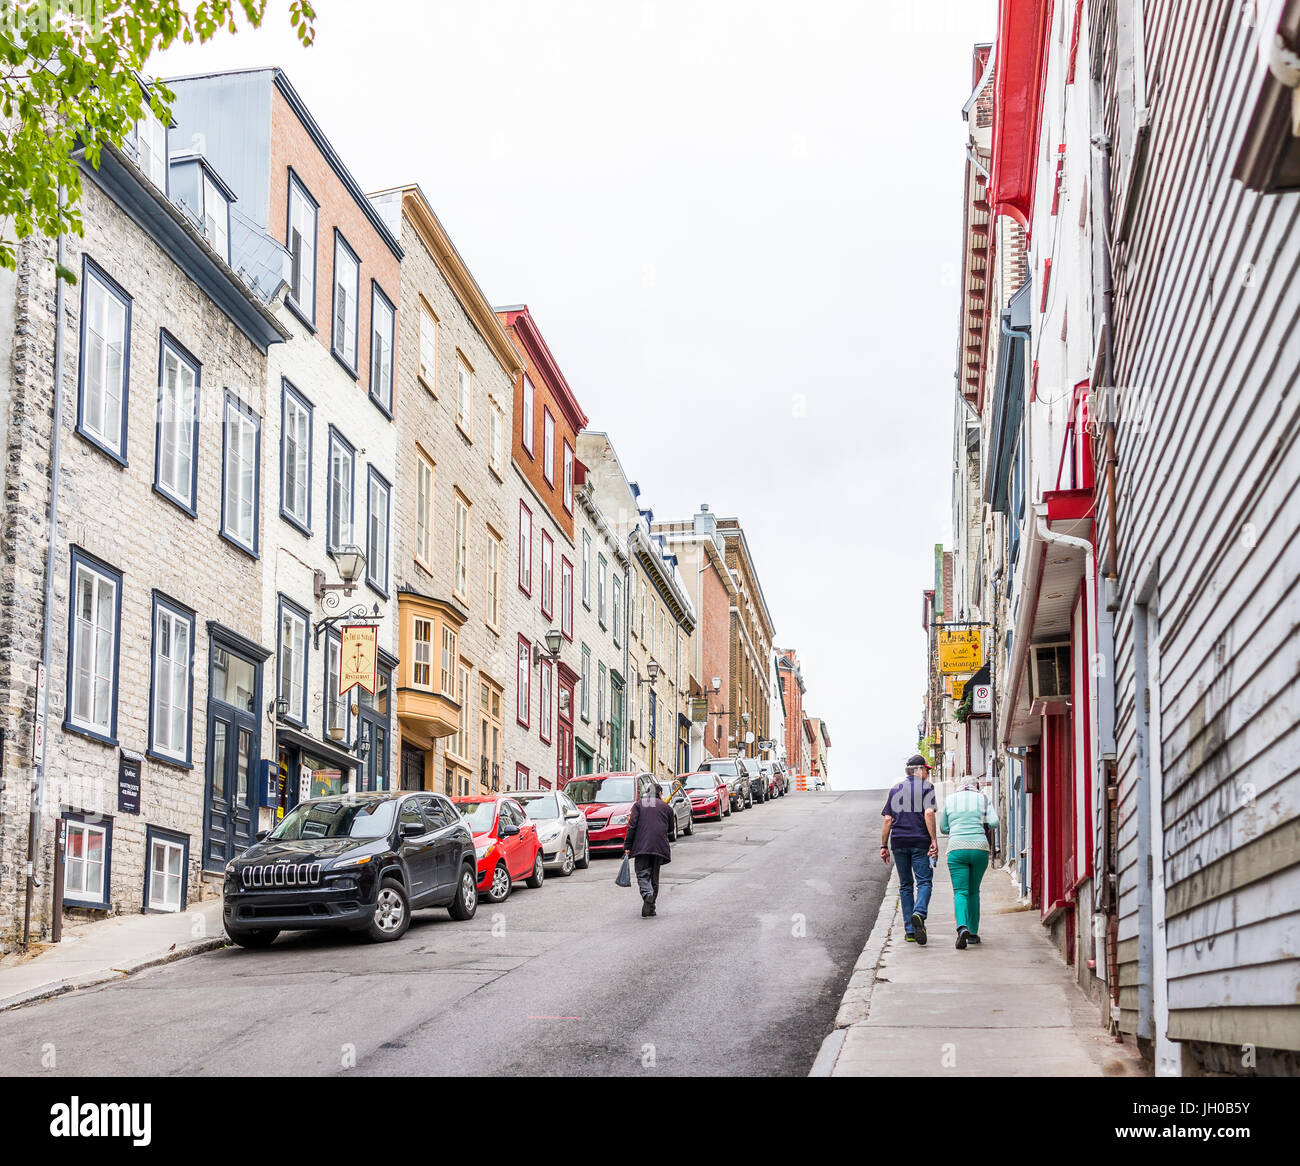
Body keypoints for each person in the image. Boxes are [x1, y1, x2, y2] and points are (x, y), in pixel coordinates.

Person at [881, 754, 938, 944]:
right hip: (920, 842)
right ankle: (919, 913)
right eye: (926, 770)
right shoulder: (926, 788)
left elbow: (888, 819)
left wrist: (884, 846)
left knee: (905, 886)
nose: (928, 774)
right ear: (919, 770)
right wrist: (934, 839)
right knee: (924, 882)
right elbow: (928, 813)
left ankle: (910, 931)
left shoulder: (895, 789)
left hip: (898, 842)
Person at [939, 779, 1000, 949]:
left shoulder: (950, 799)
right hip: (979, 848)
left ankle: (962, 927)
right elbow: (994, 822)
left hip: (956, 849)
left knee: (960, 892)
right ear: (977, 786)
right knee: (974, 892)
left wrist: (957, 828)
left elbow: (943, 828)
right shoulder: (983, 798)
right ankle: (972, 934)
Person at [623, 777, 673, 917]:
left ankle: (647, 894)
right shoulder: (666, 807)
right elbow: (670, 829)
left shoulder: (639, 805)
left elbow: (632, 827)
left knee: (642, 874)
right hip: (659, 847)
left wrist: (627, 846)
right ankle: (651, 907)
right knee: (654, 877)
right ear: (660, 793)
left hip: (642, 846)